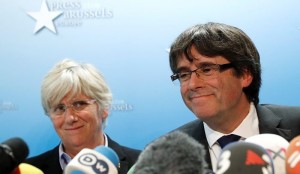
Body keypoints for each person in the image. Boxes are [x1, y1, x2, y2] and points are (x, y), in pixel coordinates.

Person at [168, 22, 300, 171]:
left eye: (206, 70)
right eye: (184, 74)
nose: (192, 84)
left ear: (245, 74)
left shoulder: (297, 126)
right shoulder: (166, 156)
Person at [25, 59, 140, 174]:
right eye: (60, 108)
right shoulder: (29, 169)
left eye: (79, 104)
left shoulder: (141, 165)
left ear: (104, 108)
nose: (70, 118)